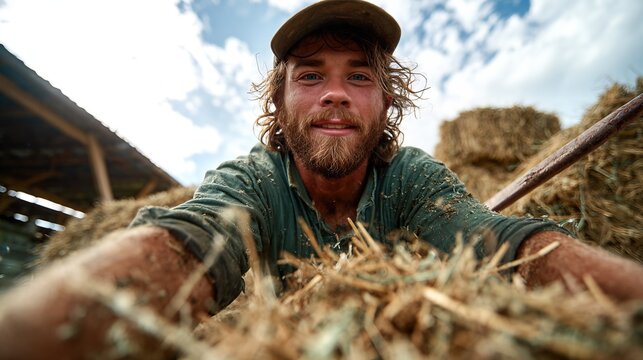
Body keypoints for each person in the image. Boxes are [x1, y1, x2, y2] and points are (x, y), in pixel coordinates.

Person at [0, 0, 642, 358]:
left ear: (386, 101)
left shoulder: (410, 176)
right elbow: (186, 243)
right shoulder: (252, 179)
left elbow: (497, 242)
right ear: (277, 101)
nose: (335, 94)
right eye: (310, 74)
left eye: (359, 76)